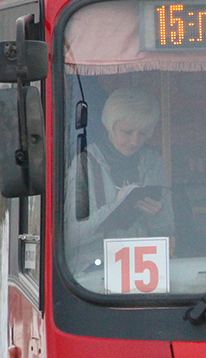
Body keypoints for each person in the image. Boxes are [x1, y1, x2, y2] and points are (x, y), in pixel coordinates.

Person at [65, 88, 172, 270]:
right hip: (93, 271)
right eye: (127, 132)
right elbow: (70, 238)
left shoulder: (153, 162)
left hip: (145, 266)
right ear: (109, 125)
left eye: (143, 134)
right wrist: (116, 207)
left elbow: (168, 231)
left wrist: (158, 215)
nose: (134, 141)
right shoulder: (85, 164)